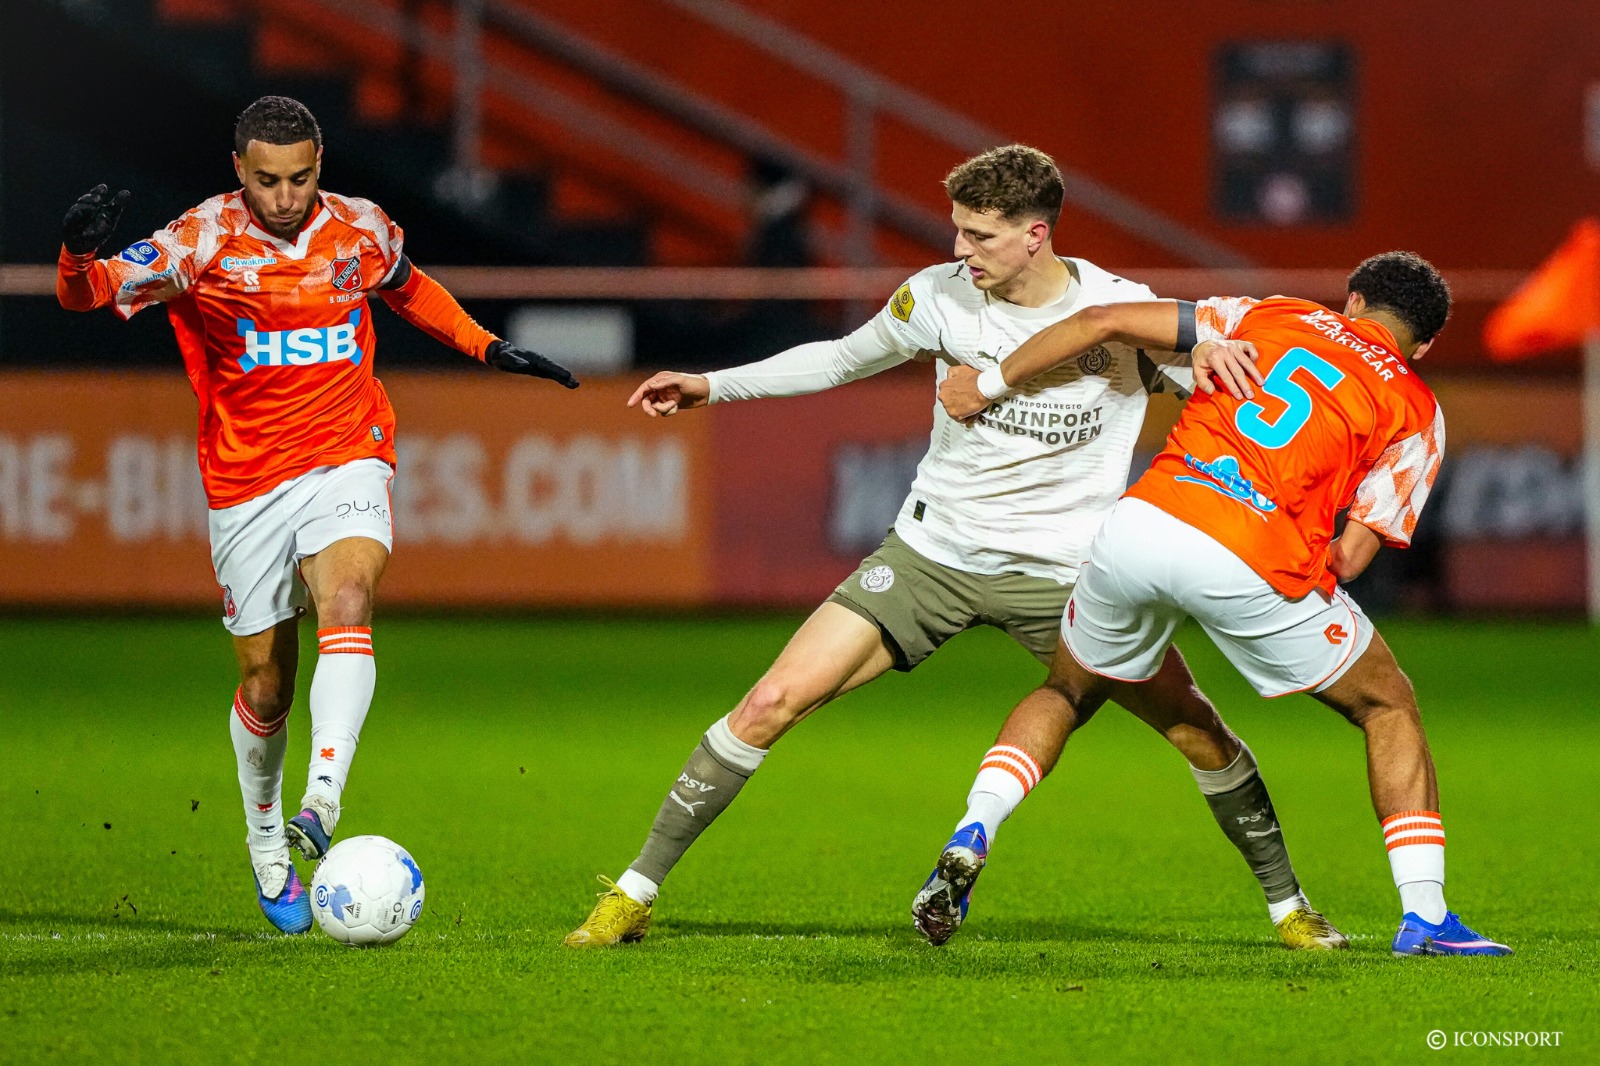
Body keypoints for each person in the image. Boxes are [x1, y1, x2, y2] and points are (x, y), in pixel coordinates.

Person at [564, 145, 1344, 951]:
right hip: (932, 557)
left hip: (1069, 578)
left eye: (981, 235)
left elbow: (1236, 401)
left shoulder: (1121, 311)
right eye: (958, 230)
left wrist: (1214, 361)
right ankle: (632, 895)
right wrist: (711, 383)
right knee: (769, 702)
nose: (961, 249)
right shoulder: (937, 297)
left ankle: (1290, 909)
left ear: (1036, 234)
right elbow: (840, 359)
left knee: (1197, 729)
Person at [56, 95, 578, 934]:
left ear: (319, 165)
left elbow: (408, 288)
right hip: (247, 482)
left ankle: (322, 799)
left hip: (348, 451)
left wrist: (484, 344)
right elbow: (89, 295)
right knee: (267, 688)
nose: (285, 196)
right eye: (267, 180)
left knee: (349, 598)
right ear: (239, 169)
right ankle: (268, 842)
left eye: (299, 178)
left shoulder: (359, 228)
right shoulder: (199, 240)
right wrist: (77, 254)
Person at [934, 251, 1511, 956]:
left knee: (1066, 689)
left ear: (1354, 300)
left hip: (1143, 522)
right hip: (1251, 554)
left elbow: (1102, 319)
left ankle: (976, 825)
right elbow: (1353, 556)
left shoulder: (1272, 314)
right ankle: (1425, 916)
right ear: (1424, 346)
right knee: (1387, 704)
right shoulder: (1417, 411)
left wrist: (986, 384)